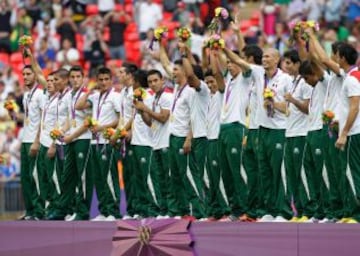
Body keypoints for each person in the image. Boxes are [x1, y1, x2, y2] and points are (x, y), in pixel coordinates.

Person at [76, 67, 121, 221]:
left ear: (111, 80)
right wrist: (89, 91)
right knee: (99, 178)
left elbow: (120, 119)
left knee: (109, 176)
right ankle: (104, 210)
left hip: (107, 141)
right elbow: (79, 106)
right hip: (95, 141)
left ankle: (114, 211)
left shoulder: (115, 96)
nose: (103, 82)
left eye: (106, 79)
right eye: (100, 80)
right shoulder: (95, 97)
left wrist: (103, 127)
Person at [51, 66, 93, 221]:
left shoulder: (89, 95)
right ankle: (64, 208)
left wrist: (72, 136)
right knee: (67, 176)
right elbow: (70, 118)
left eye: (78, 77)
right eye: (73, 77)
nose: (75, 80)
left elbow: (88, 122)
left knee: (82, 177)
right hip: (71, 139)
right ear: (69, 79)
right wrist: (61, 131)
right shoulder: (70, 95)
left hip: (83, 139)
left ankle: (83, 212)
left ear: (83, 77)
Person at [133, 69, 173, 218]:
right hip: (156, 143)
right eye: (150, 82)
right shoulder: (155, 98)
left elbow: (163, 118)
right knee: (160, 179)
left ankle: (172, 209)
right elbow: (150, 123)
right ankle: (164, 209)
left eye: (156, 80)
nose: (153, 84)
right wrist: (141, 110)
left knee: (168, 179)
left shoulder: (167, 96)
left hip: (167, 142)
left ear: (162, 80)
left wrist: (146, 109)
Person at [282, 49, 312, 221]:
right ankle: (298, 211)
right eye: (285, 63)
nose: (286, 66)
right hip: (290, 133)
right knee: (291, 174)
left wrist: (292, 100)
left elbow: (308, 108)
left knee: (301, 173)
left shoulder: (305, 83)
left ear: (297, 64)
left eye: (289, 63)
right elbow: (289, 110)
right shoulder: (293, 82)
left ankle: (309, 210)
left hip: (301, 133)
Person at [335, 43, 360, 224]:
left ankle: (357, 214)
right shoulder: (352, 76)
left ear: (343, 58)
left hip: (353, 132)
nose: (335, 57)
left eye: (336, 54)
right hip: (355, 131)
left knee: (353, 172)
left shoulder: (352, 79)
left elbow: (354, 106)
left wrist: (344, 132)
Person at [19, 64, 44, 220]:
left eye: (28, 73)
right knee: (25, 177)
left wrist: (37, 141)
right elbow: (28, 118)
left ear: (35, 76)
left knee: (36, 176)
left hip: (34, 140)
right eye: (23, 74)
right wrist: (14, 114)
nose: (25, 76)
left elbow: (43, 118)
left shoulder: (40, 94)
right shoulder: (26, 95)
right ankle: (29, 211)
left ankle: (39, 210)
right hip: (24, 139)